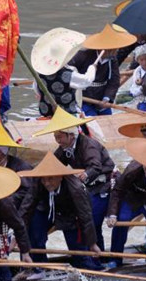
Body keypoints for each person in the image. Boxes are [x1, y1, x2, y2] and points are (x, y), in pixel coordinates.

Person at [32, 107, 114, 251]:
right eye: (55, 137)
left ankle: (99, 256)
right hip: (85, 187)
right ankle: (86, 253)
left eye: (60, 137)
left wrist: (84, 175)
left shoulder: (89, 145)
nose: (58, 141)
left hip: (101, 185)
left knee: (93, 221)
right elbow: (54, 163)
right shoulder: (64, 149)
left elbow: (95, 166)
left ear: (71, 135)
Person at [19, 153, 102, 269]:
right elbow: (26, 207)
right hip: (46, 209)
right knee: (34, 230)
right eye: (44, 179)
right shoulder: (39, 182)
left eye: (50, 178)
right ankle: (39, 267)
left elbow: (85, 215)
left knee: (78, 249)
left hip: (70, 214)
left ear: (60, 176)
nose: (46, 183)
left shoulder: (76, 188)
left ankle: (88, 268)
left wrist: (92, 243)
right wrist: (16, 236)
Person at [73, 24, 137, 116]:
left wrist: (107, 98)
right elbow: (70, 71)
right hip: (84, 97)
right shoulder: (83, 55)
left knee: (108, 119)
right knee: (91, 120)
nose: (116, 50)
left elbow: (114, 81)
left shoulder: (112, 59)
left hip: (102, 97)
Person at [30, 28, 96, 116]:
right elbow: (86, 81)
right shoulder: (69, 75)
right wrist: (92, 68)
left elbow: (36, 90)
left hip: (46, 113)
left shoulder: (39, 74)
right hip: (67, 115)